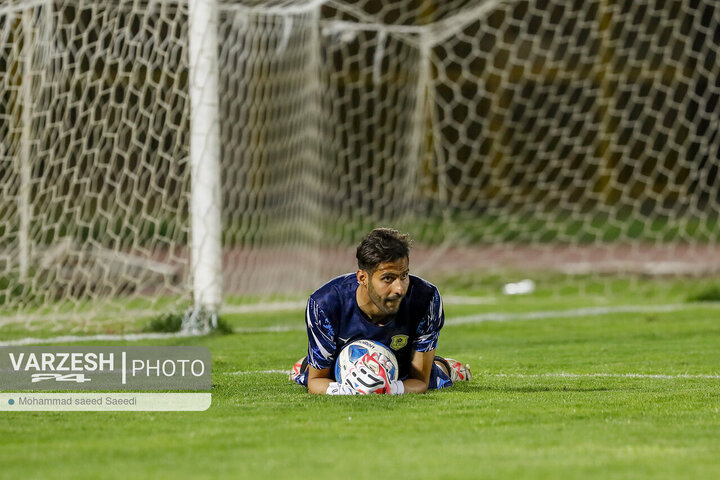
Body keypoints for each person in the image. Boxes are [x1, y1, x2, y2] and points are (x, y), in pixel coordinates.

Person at [289, 227, 471, 395]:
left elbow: (419, 382)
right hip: (342, 364)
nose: (399, 288)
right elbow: (317, 381)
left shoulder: (425, 299)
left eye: (404, 275)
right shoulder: (325, 304)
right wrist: (349, 390)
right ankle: (307, 363)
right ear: (362, 277)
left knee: (434, 378)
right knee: (311, 376)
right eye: (388, 278)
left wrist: (388, 388)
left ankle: (445, 365)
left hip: (403, 364)